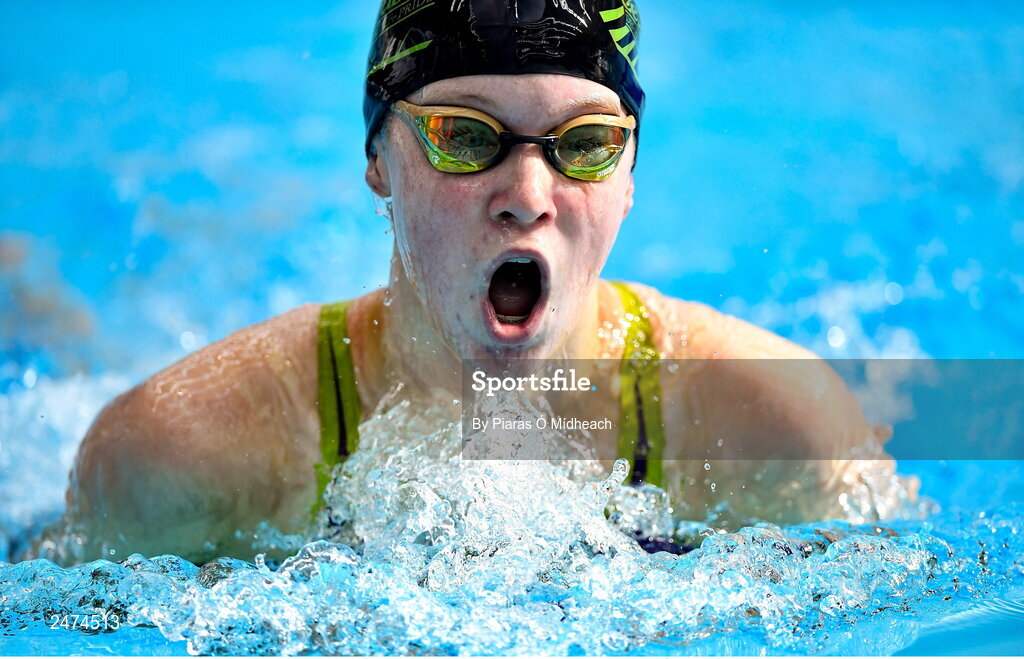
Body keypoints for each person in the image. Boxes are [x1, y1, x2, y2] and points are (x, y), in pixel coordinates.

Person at [34, 0, 911, 565]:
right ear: (378, 158)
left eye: (586, 143)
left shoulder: (776, 426)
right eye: (463, 135)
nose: (527, 199)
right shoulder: (182, 455)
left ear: (633, 172)